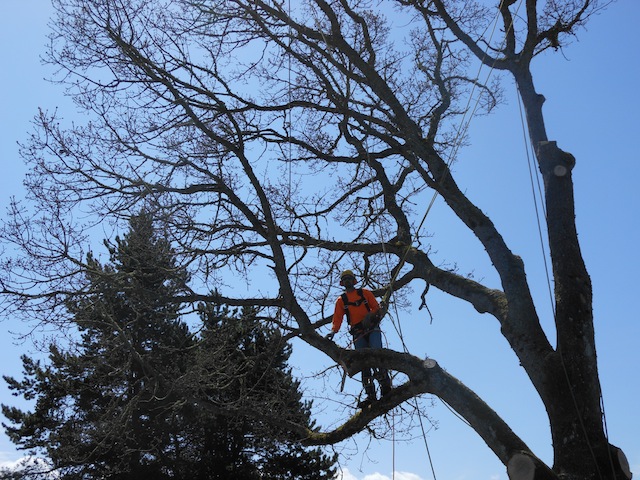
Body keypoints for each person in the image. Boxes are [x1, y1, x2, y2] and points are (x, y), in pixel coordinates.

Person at [327, 269, 392, 408]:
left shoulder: (364, 293)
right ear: (342, 283)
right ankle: (370, 394)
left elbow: (376, 307)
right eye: (345, 280)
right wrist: (333, 331)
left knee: (376, 353)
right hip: (358, 332)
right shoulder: (341, 300)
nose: (347, 281)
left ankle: (385, 386)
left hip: (372, 328)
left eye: (349, 279)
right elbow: (337, 318)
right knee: (363, 362)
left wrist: (370, 316)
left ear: (353, 280)